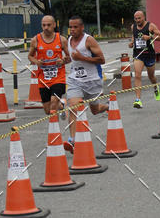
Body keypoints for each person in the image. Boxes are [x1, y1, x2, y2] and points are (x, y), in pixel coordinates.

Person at [63, 16, 109, 151]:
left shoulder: (89, 40)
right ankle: (73, 141)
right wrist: (65, 60)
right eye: (70, 27)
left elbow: (102, 59)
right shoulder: (69, 40)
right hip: (75, 80)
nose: (72, 30)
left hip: (93, 80)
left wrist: (81, 57)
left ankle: (107, 107)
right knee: (73, 106)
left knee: (95, 110)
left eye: (75, 27)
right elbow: (72, 59)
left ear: (82, 27)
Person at [28, 15, 70, 116]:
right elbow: (30, 56)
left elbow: (70, 57)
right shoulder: (36, 40)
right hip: (43, 79)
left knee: (53, 106)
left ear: (54, 25)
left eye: (48, 25)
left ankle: (54, 131)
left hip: (58, 78)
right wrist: (37, 62)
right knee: (47, 111)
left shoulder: (61, 40)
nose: (46, 27)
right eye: (44, 25)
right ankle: (62, 105)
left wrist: (63, 61)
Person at [129, 9, 160, 108]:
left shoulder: (151, 26)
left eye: (139, 18)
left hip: (149, 55)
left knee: (151, 76)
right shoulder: (133, 27)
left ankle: (155, 87)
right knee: (137, 75)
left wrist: (150, 37)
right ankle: (138, 100)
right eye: (135, 19)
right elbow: (134, 36)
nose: (137, 20)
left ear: (143, 17)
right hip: (138, 55)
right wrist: (131, 43)